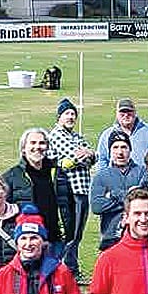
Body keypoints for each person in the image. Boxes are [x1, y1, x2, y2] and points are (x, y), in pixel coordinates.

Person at [46, 99, 95, 273]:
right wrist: (84, 154)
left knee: (77, 232)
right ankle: (67, 269)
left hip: (82, 189)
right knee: (70, 231)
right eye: (67, 114)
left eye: (73, 114)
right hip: (68, 189)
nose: (71, 117)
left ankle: (71, 268)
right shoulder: (57, 135)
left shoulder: (76, 136)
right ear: (59, 117)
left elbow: (92, 156)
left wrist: (88, 154)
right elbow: (77, 157)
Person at [89, 131, 147, 251]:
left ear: (130, 150)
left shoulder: (142, 172)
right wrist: (129, 197)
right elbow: (97, 206)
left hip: (138, 234)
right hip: (111, 236)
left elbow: (143, 201)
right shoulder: (101, 176)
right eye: (115, 147)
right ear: (110, 151)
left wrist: (113, 194)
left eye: (124, 147)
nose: (120, 152)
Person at [95, 97, 148, 167]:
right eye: (122, 112)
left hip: (143, 176)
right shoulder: (107, 135)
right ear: (116, 114)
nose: (126, 115)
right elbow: (101, 160)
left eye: (129, 111)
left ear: (135, 112)